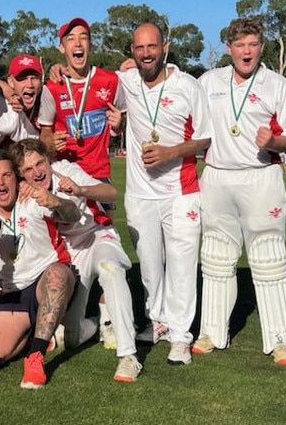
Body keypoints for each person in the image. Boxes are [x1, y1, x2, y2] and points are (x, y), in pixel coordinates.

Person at [194, 16, 286, 367]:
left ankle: (280, 339)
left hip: (261, 176)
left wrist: (273, 141)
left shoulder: (277, 84)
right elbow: (175, 93)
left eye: (252, 44)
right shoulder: (209, 81)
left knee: (268, 257)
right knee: (216, 256)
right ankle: (211, 332)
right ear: (229, 49)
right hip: (218, 177)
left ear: (262, 47)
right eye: (240, 45)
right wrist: (131, 70)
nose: (246, 51)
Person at [116, 23, 211, 366]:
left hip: (181, 191)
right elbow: (90, 85)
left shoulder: (187, 85)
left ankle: (181, 336)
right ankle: (158, 321)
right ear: (132, 50)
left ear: (164, 47)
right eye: (139, 48)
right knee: (150, 266)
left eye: (152, 47)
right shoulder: (125, 81)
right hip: (140, 193)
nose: (146, 54)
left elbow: (205, 138)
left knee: (183, 266)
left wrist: (171, 152)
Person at [9, 139, 142, 382]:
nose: (37, 172)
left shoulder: (67, 170)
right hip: (71, 252)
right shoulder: (23, 189)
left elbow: (111, 192)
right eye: (28, 170)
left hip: (97, 235)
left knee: (110, 269)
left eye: (40, 163)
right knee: (70, 339)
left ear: (49, 160)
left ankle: (128, 355)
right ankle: (99, 320)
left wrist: (82, 190)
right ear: (20, 173)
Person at [0, 148, 81, 389]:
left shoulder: (31, 199)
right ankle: (35, 334)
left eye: (6, 175)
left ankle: (36, 356)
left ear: (16, 177)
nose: (1, 182)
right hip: (11, 293)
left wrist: (57, 201)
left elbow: (73, 214)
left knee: (57, 274)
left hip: (46, 279)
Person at [39, 17, 121, 223]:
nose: (77, 43)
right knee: (68, 238)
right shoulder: (52, 87)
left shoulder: (110, 80)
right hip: (64, 173)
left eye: (83, 38)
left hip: (99, 173)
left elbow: (122, 121)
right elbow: (44, 133)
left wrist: (120, 124)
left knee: (105, 232)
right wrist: (50, 141)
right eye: (71, 39)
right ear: (62, 48)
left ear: (90, 45)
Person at [4, 54, 48, 131]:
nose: (30, 85)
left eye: (34, 78)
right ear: (10, 82)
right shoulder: (2, 107)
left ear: (41, 80)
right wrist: (10, 94)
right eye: (23, 78)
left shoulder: (47, 101)